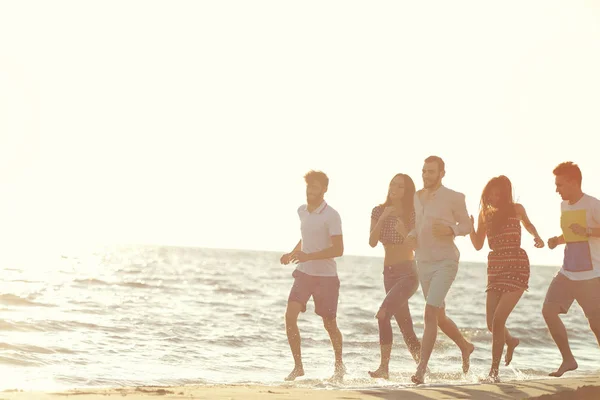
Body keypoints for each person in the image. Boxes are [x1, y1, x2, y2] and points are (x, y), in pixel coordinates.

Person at [405, 155, 474, 385]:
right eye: (424, 171)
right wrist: (412, 235)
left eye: (431, 172)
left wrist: (451, 229)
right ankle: (465, 346)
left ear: (442, 173)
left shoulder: (454, 197)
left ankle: (421, 370)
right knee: (440, 317)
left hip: (445, 262)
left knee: (429, 313)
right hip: (423, 261)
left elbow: (467, 225)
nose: (426, 175)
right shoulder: (417, 197)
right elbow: (418, 224)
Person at [469, 175, 544, 382]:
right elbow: (477, 244)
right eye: (491, 192)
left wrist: (536, 236)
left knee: (499, 319)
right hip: (495, 267)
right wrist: (469, 228)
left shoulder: (516, 209)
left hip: (516, 264)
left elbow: (528, 225)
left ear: (505, 193)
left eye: (498, 192)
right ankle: (511, 341)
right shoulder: (485, 214)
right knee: (492, 324)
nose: (494, 196)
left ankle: (494, 372)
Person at [280, 170, 346, 382]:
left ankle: (339, 365)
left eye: (315, 187)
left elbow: (338, 249)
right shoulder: (302, 211)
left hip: (326, 277)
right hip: (304, 275)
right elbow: (305, 239)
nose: (311, 191)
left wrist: (309, 256)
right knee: (290, 317)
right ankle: (298, 367)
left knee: (329, 324)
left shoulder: (332, 215)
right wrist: (293, 253)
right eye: (309, 187)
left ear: (324, 190)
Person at [542, 161, 600, 377]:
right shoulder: (564, 205)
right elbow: (572, 233)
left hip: (591, 275)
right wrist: (557, 240)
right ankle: (568, 359)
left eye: (560, 184)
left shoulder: (594, 204)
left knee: (596, 323)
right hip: (567, 272)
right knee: (548, 311)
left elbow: (585, 231)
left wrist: (587, 230)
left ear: (574, 182)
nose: (557, 189)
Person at [368, 173, 422, 379]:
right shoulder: (378, 210)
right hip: (388, 275)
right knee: (405, 326)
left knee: (383, 314)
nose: (394, 188)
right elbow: (372, 241)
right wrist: (382, 218)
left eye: (400, 186)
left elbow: (416, 245)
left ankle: (384, 368)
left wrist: (405, 230)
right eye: (393, 184)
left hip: (408, 273)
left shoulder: (412, 213)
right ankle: (422, 367)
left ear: (407, 191)